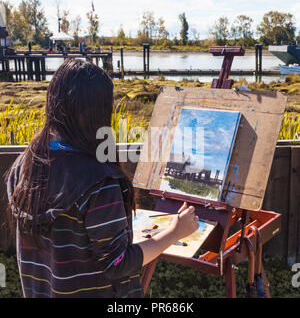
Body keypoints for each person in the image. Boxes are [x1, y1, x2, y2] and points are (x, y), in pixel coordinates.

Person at [6, 58, 199, 298]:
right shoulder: (98, 183)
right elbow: (116, 263)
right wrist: (174, 233)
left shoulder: (24, 166)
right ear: (99, 112)